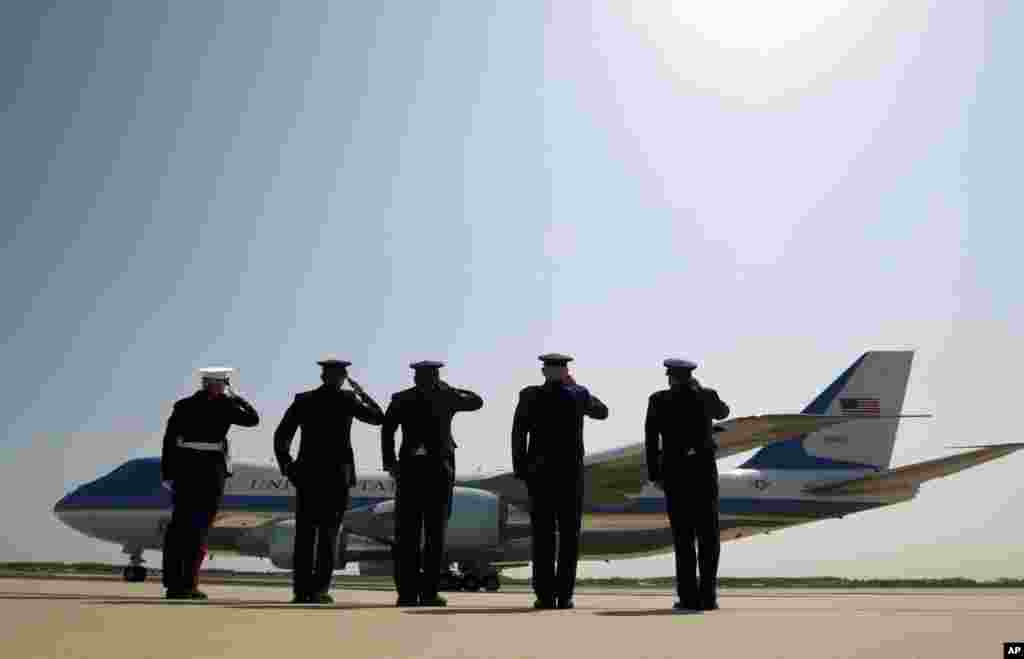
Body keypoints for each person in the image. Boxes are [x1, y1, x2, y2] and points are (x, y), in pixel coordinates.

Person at [274, 358, 384, 604]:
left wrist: (288, 467)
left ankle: (301, 592)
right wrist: (361, 393)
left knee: (305, 536)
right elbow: (378, 417)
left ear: (322, 377)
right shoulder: (347, 399)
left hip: (307, 475)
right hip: (337, 477)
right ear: (343, 378)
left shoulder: (303, 400)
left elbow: (282, 436)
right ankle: (320, 590)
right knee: (328, 537)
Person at [381, 361, 483, 607]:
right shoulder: (447, 396)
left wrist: (390, 463)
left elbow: (387, 431)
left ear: (416, 377)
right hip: (438, 471)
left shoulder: (401, 398)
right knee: (434, 537)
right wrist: (451, 387)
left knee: (407, 536)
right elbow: (476, 400)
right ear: (437, 376)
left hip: (409, 470)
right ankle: (428, 593)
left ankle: (406, 594)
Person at [511, 353, 608, 610]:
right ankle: (564, 596)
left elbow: (518, 432)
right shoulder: (577, 394)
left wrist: (520, 468)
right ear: (565, 372)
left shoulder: (530, 394)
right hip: (570, 475)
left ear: (544, 372)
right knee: (569, 537)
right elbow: (602, 412)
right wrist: (574, 385)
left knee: (542, 536)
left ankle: (544, 596)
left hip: (539, 475)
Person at [161, 367, 259, 599]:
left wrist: (168, 473)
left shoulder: (183, 405)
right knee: (199, 528)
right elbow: (253, 420)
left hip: (185, 470)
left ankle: (173, 584)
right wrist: (239, 398)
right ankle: (188, 585)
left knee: (179, 527)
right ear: (221, 384)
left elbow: (169, 440)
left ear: (204, 383)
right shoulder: (225, 405)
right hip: (210, 471)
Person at [644, 358, 729, 611]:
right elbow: (723, 412)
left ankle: (688, 597)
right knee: (708, 537)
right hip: (703, 473)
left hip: (674, 473)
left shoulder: (658, 400)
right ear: (690, 376)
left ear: (669, 377)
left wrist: (654, 474)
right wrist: (700, 390)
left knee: (683, 539)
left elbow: (650, 438)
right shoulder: (705, 396)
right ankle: (708, 596)